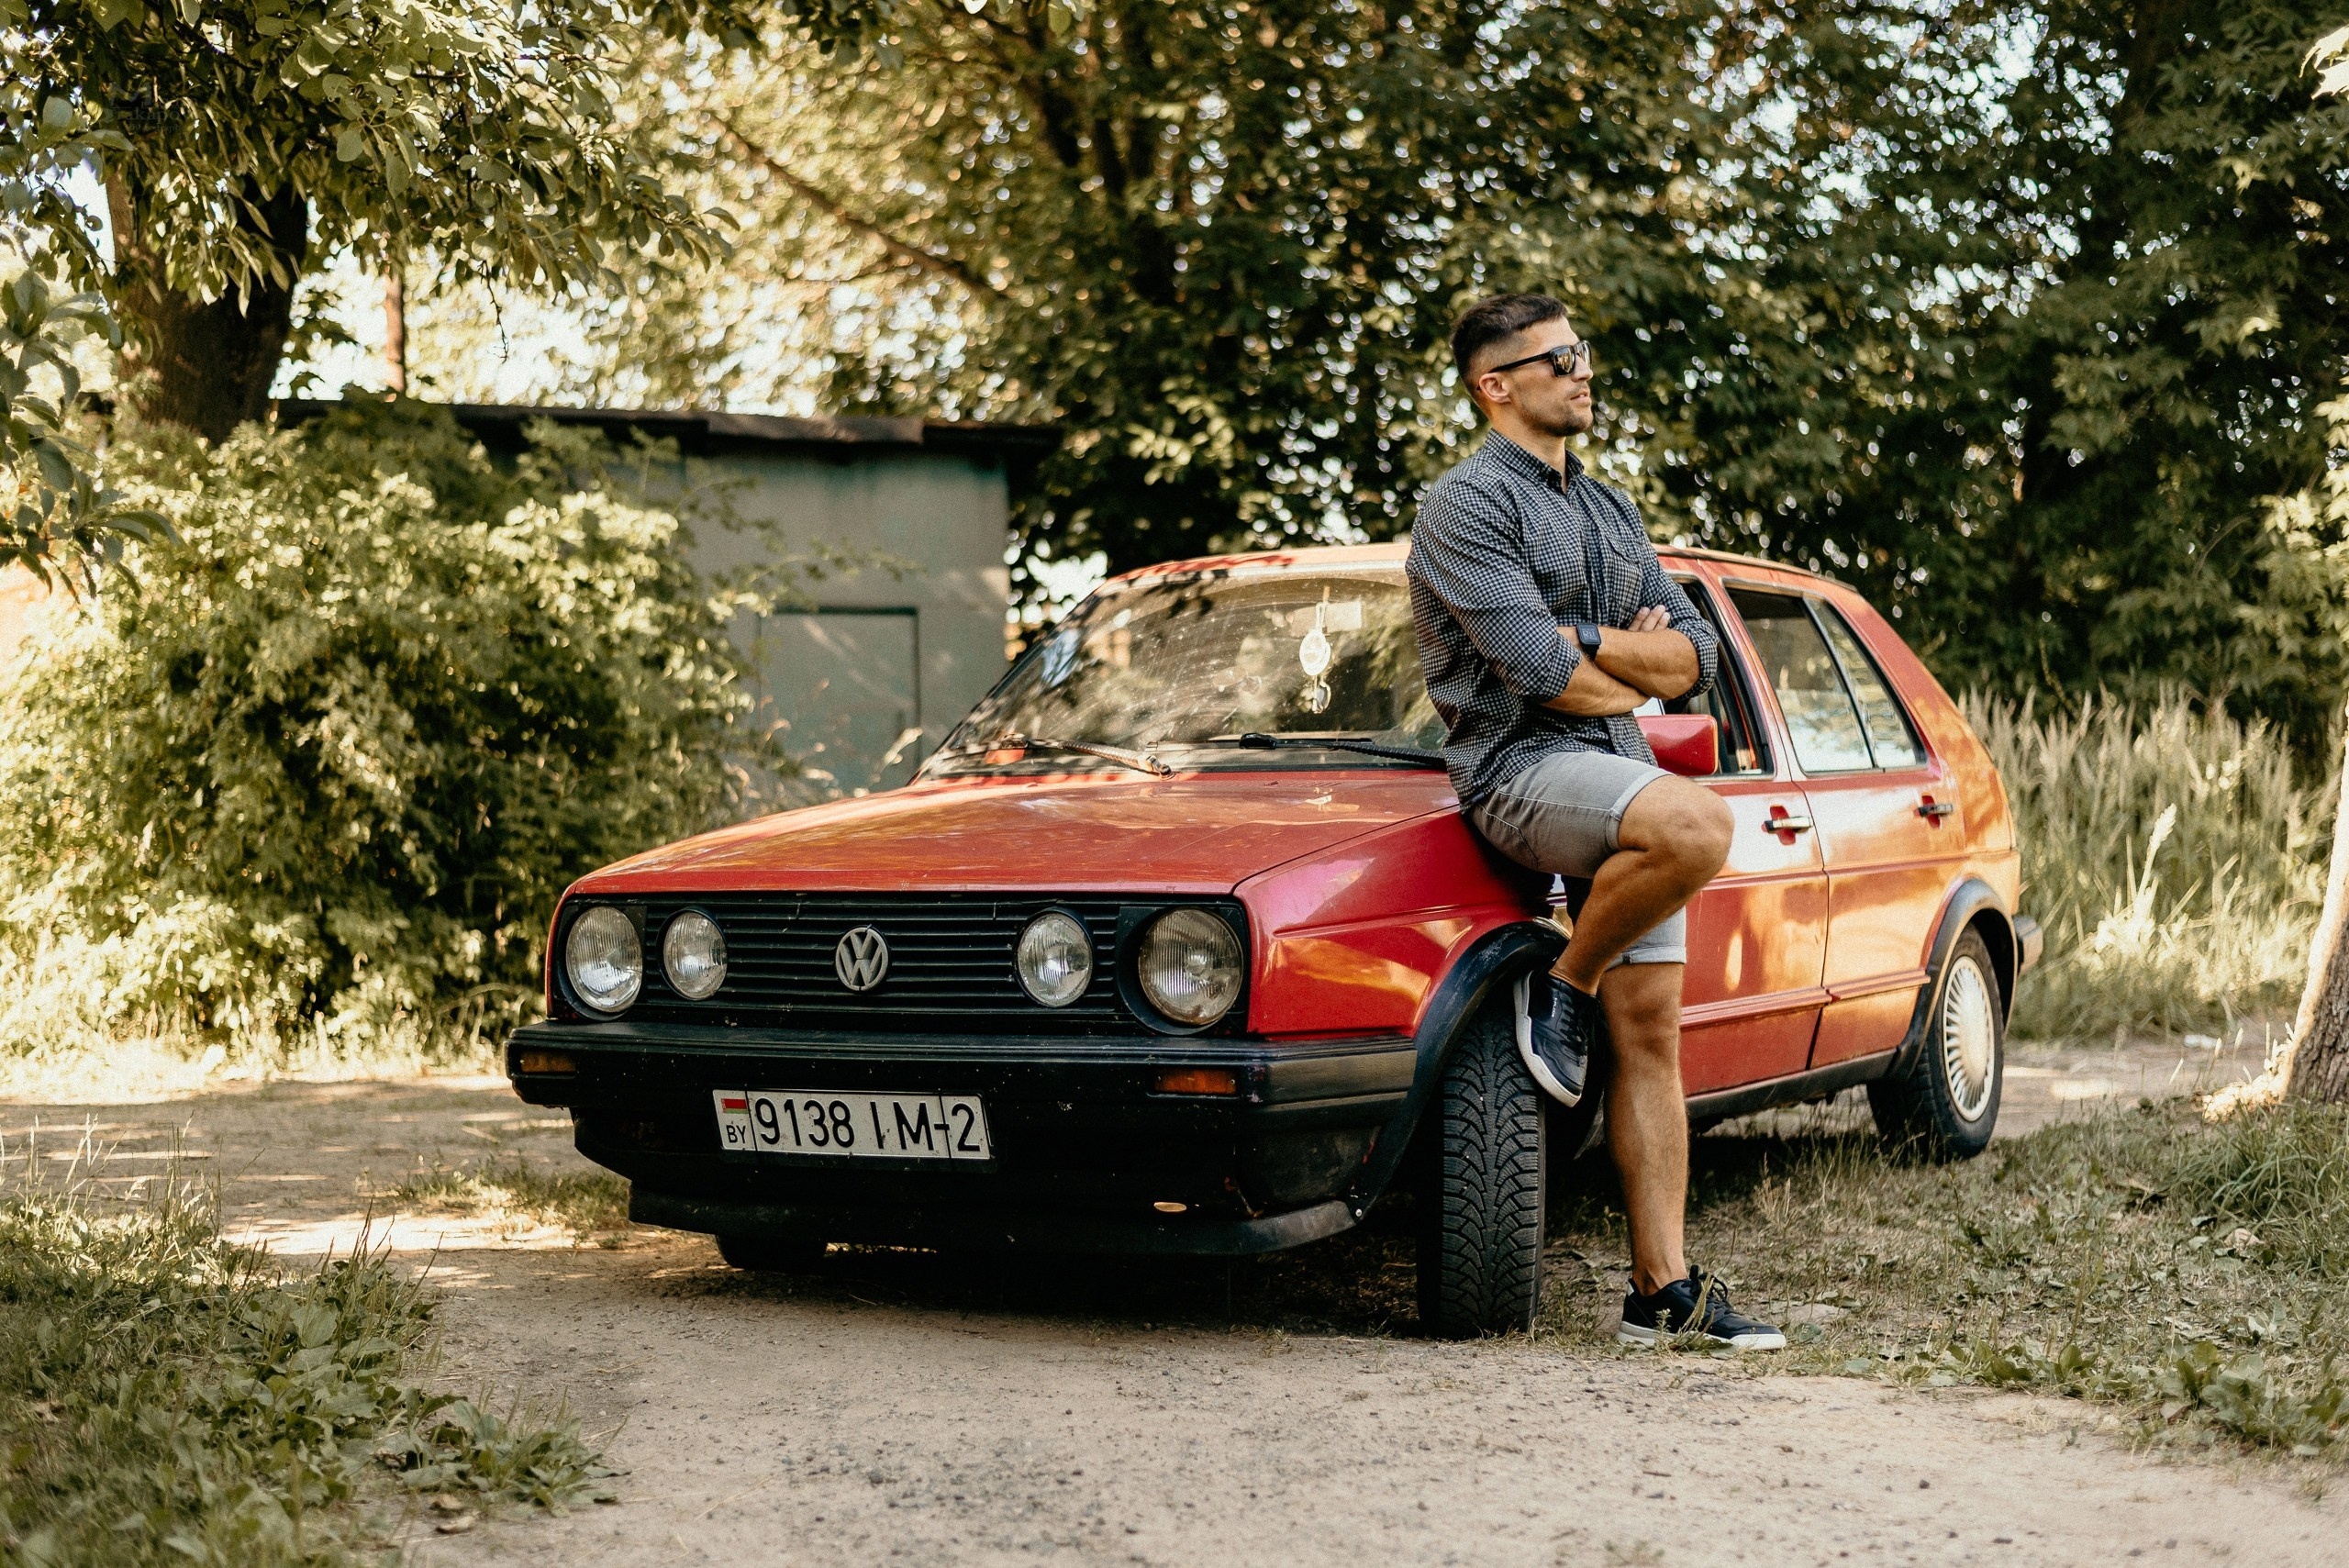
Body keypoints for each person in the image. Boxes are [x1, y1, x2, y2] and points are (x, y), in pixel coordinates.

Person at [1407, 292, 1786, 1351]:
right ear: (1495, 385)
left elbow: (1696, 658)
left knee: (1652, 1030)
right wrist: (1622, 657)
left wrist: (1587, 641)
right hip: (1518, 770)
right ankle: (1565, 987)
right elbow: (1539, 676)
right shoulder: (1465, 505)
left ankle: (1660, 1289)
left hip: (1616, 771)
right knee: (1697, 830)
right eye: (1558, 358)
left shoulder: (1610, 508)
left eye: (1581, 352)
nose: (1583, 371)